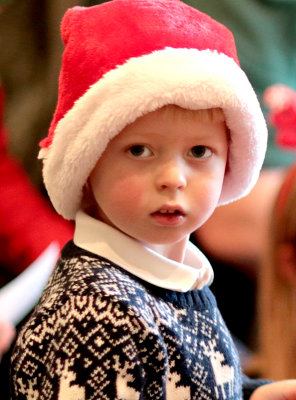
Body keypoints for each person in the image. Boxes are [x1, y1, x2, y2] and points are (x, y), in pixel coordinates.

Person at [9, 1, 296, 399]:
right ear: (88, 164)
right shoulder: (96, 317)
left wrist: (257, 394)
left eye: (199, 152)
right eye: (140, 151)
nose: (174, 178)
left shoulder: (180, 278)